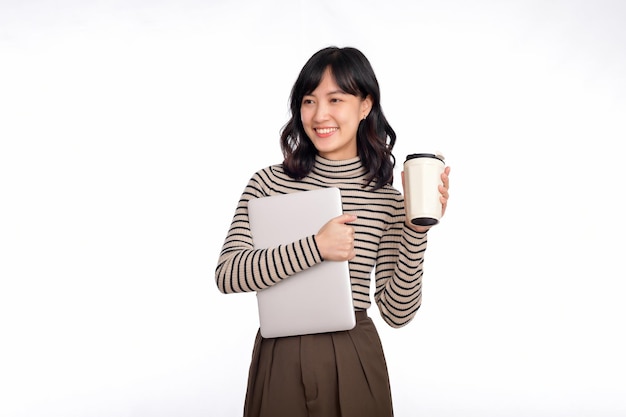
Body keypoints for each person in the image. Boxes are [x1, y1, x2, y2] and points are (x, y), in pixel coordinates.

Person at [215, 46, 451, 417]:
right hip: (279, 356)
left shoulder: (387, 200)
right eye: (309, 101)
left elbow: (397, 313)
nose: (319, 115)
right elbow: (229, 274)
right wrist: (315, 247)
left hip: (354, 352)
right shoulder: (268, 183)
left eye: (335, 99)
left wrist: (415, 229)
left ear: (364, 106)